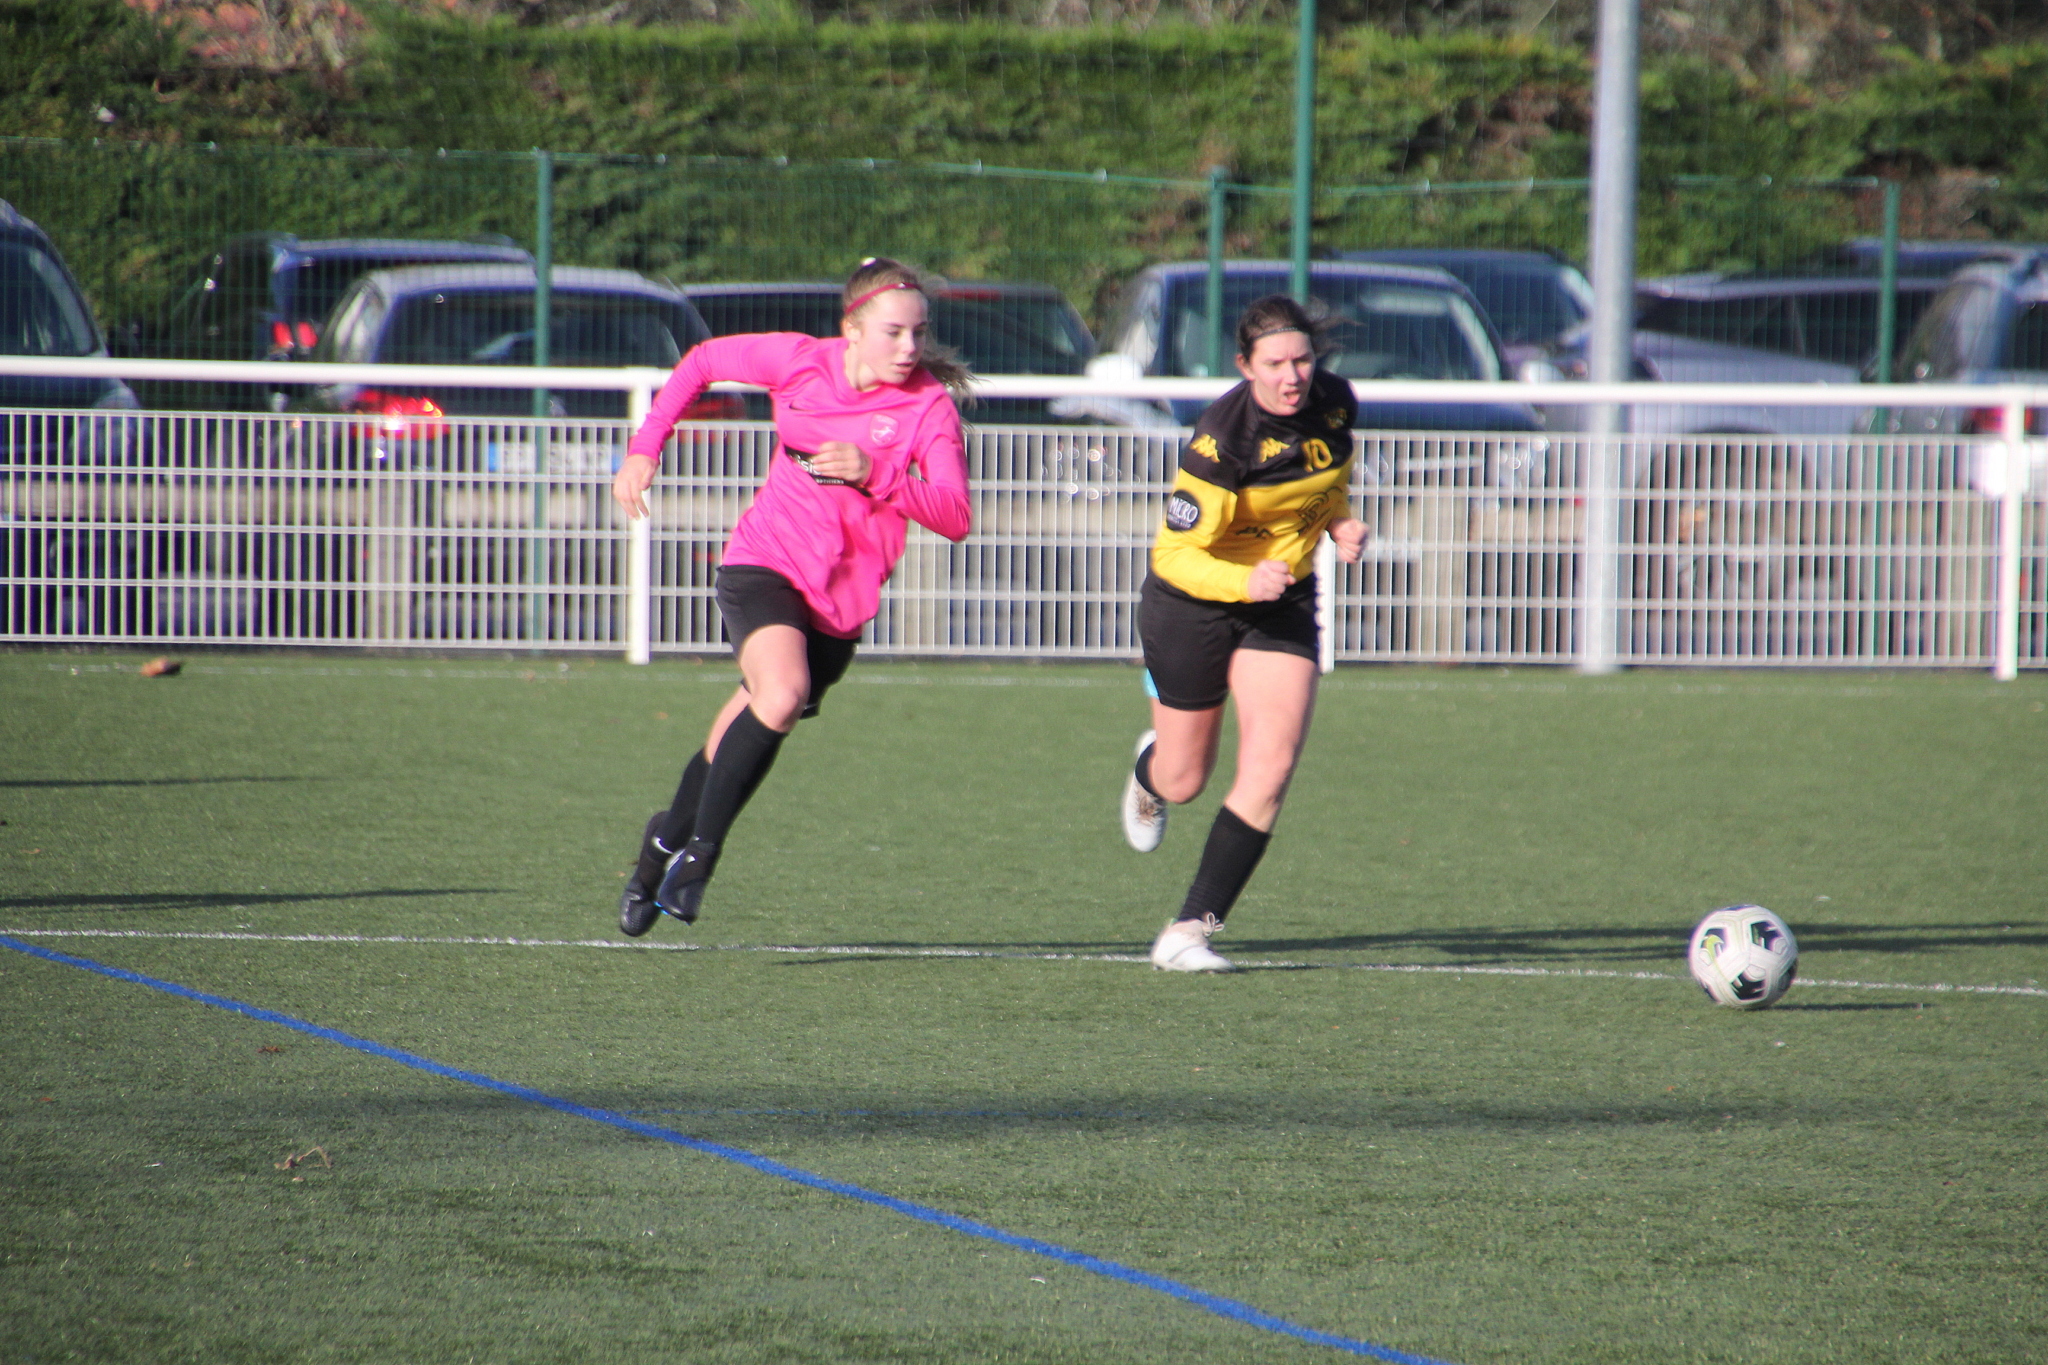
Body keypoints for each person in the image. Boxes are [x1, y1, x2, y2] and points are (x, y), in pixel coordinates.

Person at [610, 257, 972, 935]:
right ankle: (700, 860)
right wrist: (644, 448)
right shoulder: (800, 361)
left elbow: (955, 515)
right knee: (779, 693)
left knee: (743, 731)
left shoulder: (927, 408)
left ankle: (659, 848)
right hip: (764, 563)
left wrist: (880, 473)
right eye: (894, 332)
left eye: (919, 334)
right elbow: (701, 362)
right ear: (852, 328)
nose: (909, 348)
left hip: (840, 606)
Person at [1119, 294, 1370, 972]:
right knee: (1183, 779)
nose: (1293, 376)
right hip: (1191, 604)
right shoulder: (1221, 437)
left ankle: (1187, 931)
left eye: (1303, 360)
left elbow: (1319, 486)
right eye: (1275, 364)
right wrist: (1241, 582)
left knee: (1272, 765)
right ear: (1244, 365)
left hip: (1281, 602)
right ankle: (1150, 771)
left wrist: (1340, 522)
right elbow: (1173, 555)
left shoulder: (1336, 402)